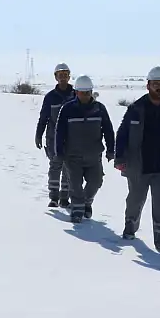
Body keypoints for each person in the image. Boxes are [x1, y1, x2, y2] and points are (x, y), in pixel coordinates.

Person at [114, 66, 160, 252]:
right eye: (156, 84)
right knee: (135, 200)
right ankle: (130, 228)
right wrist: (119, 158)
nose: (159, 88)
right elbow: (122, 133)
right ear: (148, 85)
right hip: (139, 165)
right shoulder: (136, 109)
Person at [53, 75, 116, 224]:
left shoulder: (99, 109)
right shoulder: (67, 109)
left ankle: (86, 203)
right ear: (76, 92)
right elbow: (59, 131)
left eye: (88, 92)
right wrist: (59, 152)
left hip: (94, 156)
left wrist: (110, 149)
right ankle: (77, 210)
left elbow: (108, 129)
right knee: (75, 186)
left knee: (96, 182)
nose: (85, 96)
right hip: (72, 156)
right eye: (82, 93)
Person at [35, 63, 76, 208]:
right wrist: (38, 135)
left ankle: (65, 198)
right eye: (60, 75)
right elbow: (43, 117)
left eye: (65, 75)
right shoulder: (50, 97)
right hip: (53, 137)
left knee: (68, 168)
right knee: (55, 166)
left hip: (72, 138)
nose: (63, 78)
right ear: (56, 77)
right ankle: (54, 197)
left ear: (69, 76)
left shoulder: (76, 94)